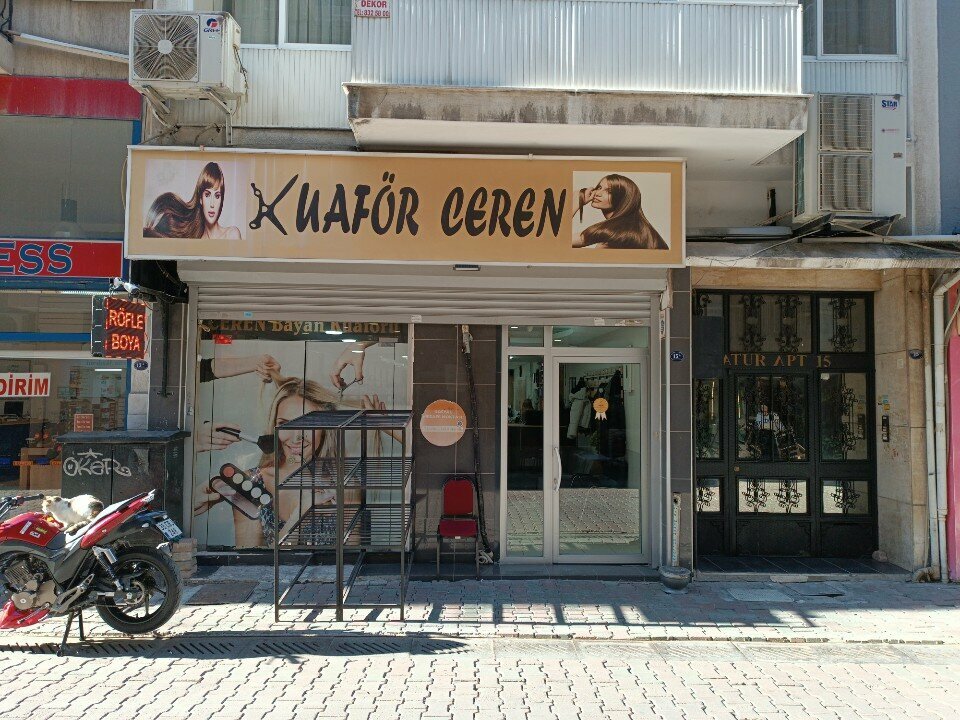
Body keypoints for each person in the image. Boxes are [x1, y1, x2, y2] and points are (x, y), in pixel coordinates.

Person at [143, 161, 241, 240]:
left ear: (221, 200)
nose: (212, 204)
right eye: (207, 195)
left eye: (217, 196)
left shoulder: (231, 234)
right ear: (201, 199)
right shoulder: (195, 239)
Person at [573, 174, 668, 250]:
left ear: (623, 199)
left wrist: (576, 202)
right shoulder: (636, 228)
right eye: (599, 187)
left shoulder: (616, 231)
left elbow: (564, 242)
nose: (597, 193)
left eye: (609, 191)